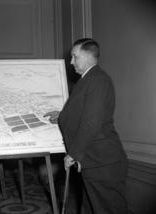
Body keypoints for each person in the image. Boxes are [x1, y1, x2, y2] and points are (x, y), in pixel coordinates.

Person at [45, 38, 128, 214]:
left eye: (75, 56)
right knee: (93, 208)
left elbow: (91, 121)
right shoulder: (88, 79)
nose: (71, 61)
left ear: (89, 56)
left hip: (103, 163)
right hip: (95, 161)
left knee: (107, 209)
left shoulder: (98, 80)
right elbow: (84, 114)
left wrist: (73, 154)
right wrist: (62, 116)